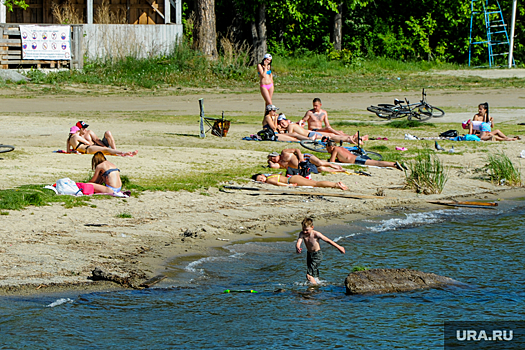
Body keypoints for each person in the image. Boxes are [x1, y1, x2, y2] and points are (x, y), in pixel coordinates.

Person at [295, 217, 345, 284]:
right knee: (314, 274)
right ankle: (317, 286)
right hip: (309, 255)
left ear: (312, 227)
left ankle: (313, 289)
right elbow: (299, 241)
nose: (305, 231)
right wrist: (298, 247)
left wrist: (339, 247)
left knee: (309, 275)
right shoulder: (302, 234)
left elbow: (328, 240)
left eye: (307, 230)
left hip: (317, 255)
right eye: (303, 229)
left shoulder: (316, 234)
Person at [300, 98, 368, 144]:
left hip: (321, 129)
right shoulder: (310, 112)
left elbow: (327, 124)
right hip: (314, 130)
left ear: (320, 105)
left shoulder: (324, 113)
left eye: (316, 106)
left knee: (339, 132)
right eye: (314, 106)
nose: (315, 107)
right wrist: (301, 123)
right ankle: (352, 138)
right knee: (330, 130)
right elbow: (303, 120)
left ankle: (356, 138)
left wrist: (328, 129)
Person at [277, 114, 361, 144]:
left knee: (331, 136)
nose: (282, 123)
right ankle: (350, 138)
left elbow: (291, 135)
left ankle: (350, 139)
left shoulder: (291, 126)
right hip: (311, 133)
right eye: (280, 123)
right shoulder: (292, 125)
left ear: (287, 120)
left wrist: (281, 133)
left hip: (310, 134)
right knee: (331, 136)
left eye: (283, 121)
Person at [325, 140, 406, 170]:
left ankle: (394, 164)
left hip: (357, 160)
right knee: (375, 162)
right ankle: (397, 164)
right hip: (358, 157)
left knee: (376, 163)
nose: (327, 151)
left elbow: (332, 162)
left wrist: (329, 160)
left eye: (327, 149)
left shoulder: (335, 149)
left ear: (331, 147)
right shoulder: (341, 148)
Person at [67, 126, 138, 156]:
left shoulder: (69, 139)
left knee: (105, 151)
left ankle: (123, 154)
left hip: (85, 150)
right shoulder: (76, 136)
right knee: (106, 149)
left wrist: (76, 151)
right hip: (88, 148)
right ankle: (124, 153)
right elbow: (88, 143)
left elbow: (68, 151)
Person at [267, 148, 344, 173]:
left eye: (273, 157)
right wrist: (269, 161)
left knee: (319, 163)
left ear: (277, 154)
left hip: (304, 158)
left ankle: (332, 165)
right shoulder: (279, 164)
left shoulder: (284, 152)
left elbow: (297, 149)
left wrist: (300, 158)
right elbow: (273, 166)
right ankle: (338, 171)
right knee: (320, 169)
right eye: (272, 159)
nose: (273, 159)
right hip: (303, 167)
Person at [252, 173, 348, 190]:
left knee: (316, 184)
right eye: (259, 180)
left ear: (263, 175)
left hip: (291, 180)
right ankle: (335, 184)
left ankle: (336, 185)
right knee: (315, 182)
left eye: (260, 178)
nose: (261, 180)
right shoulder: (271, 175)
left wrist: (289, 186)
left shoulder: (269, 179)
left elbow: (278, 183)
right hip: (293, 177)